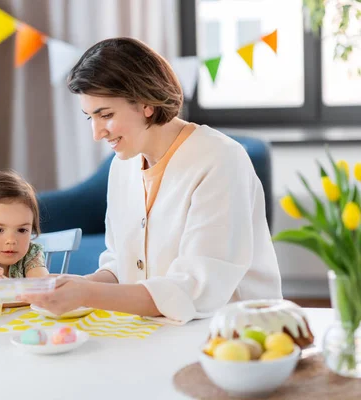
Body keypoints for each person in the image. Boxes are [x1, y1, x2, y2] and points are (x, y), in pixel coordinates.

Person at [18, 37, 282, 325]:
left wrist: (87, 294)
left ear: (145, 103)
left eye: (105, 115)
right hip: (154, 330)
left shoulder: (221, 161)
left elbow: (194, 290)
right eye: (89, 118)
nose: (97, 133)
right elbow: (121, 264)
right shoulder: (123, 165)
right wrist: (73, 286)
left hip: (233, 337)